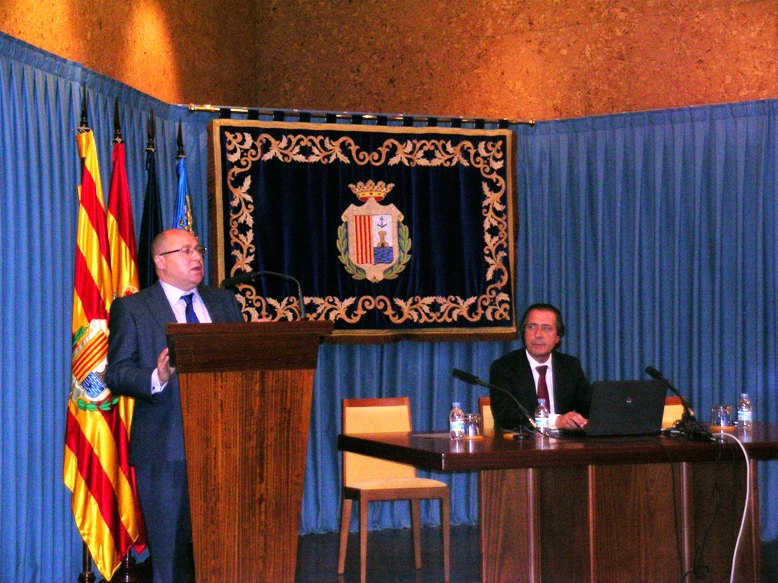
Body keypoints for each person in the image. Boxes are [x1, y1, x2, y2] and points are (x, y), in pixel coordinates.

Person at [106, 228, 244, 583]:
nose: (196, 256)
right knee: (169, 558)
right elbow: (117, 373)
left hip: (225, 445)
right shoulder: (133, 308)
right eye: (185, 251)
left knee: (227, 552)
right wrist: (158, 375)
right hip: (165, 447)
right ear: (160, 262)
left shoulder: (223, 303)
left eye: (198, 249)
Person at [489, 303, 591, 432]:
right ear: (524, 333)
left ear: (557, 338)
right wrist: (556, 421)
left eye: (546, 328)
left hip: (565, 442)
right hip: (523, 442)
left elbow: (588, 408)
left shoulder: (570, 366)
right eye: (532, 327)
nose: (538, 334)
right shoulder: (504, 367)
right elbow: (506, 417)